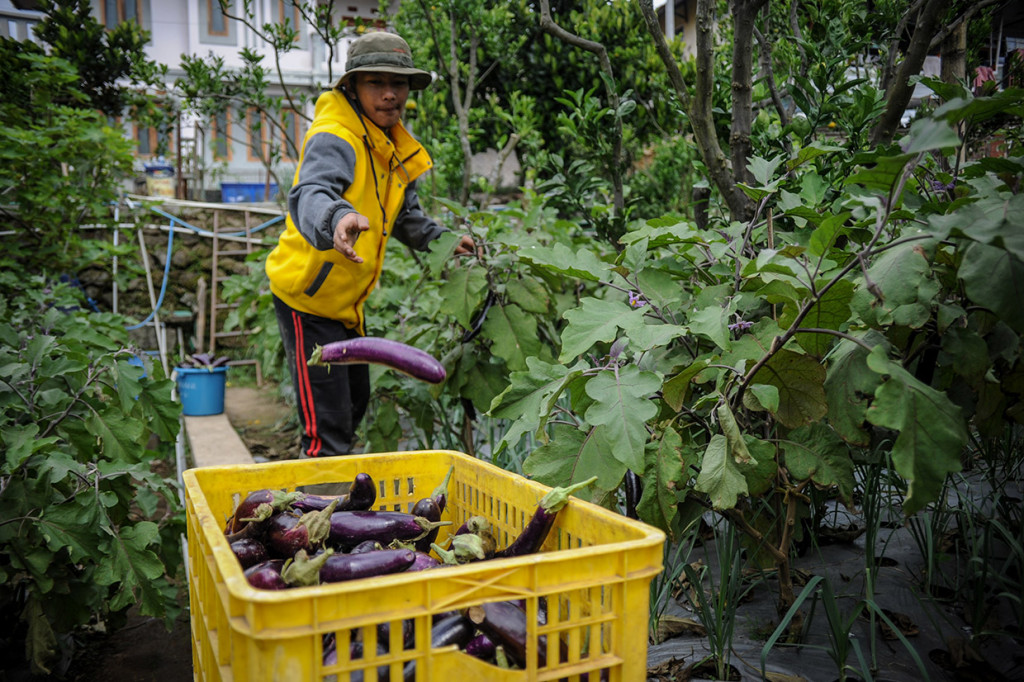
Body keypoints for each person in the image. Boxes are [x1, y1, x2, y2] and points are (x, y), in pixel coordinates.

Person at [265, 31, 475, 458]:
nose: (389, 94)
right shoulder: (335, 135)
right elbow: (312, 192)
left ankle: (337, 500)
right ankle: (312, 516)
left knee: (355, 403)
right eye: (375, 83)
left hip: (345, 304)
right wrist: (337, 218)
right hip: (308, 300)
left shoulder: (386, 143)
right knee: (326, 431)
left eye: (397, 84)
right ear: (352, 88)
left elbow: (405, 215)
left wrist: (446, 241)